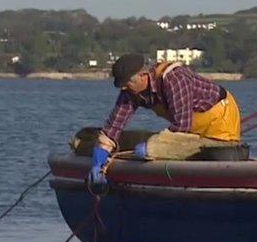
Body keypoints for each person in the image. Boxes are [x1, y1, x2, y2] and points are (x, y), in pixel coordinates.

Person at [88, 53, 241, 185]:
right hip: (193, 128)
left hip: (220, 122)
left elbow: (182, 127)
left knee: (149, 149)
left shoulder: (174, 79)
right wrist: (99, 159)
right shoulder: (131, 92)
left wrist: (153, 149)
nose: (124, 89)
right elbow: (114, 126)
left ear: (143, 76)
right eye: (122, 86)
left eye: (128, 83)